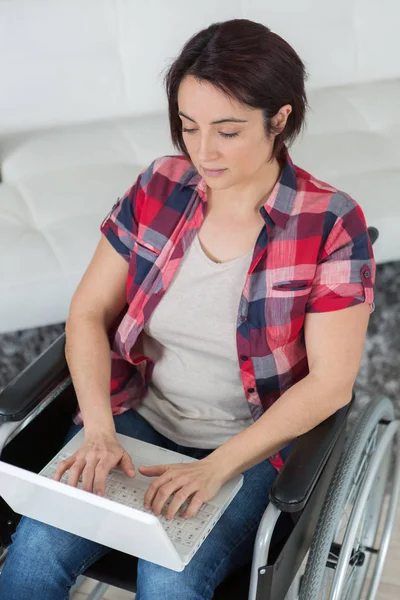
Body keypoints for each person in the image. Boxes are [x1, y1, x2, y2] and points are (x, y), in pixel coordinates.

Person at [0, 17, 376, 600]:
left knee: (169, 579)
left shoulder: (330, 224)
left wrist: (215, 467)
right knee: (35, 552)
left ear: (280, 119)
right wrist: (99, 431)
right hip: (138, 417)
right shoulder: (160, 186)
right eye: (188, 126)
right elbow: (88, 312)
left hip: (249, 444)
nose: (202, 152)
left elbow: (331, 384)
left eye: (227, 131)